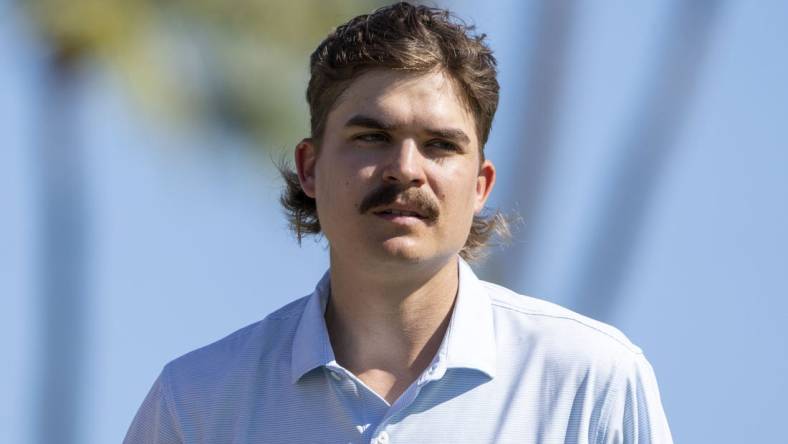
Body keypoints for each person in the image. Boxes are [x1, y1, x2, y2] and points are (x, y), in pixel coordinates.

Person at [124, 2, 672, 443]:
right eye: (372, 138)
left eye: (439, 146)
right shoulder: (197, 404)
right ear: (310, 168)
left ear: (480, 186)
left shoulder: (590, 383)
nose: (406, 169)